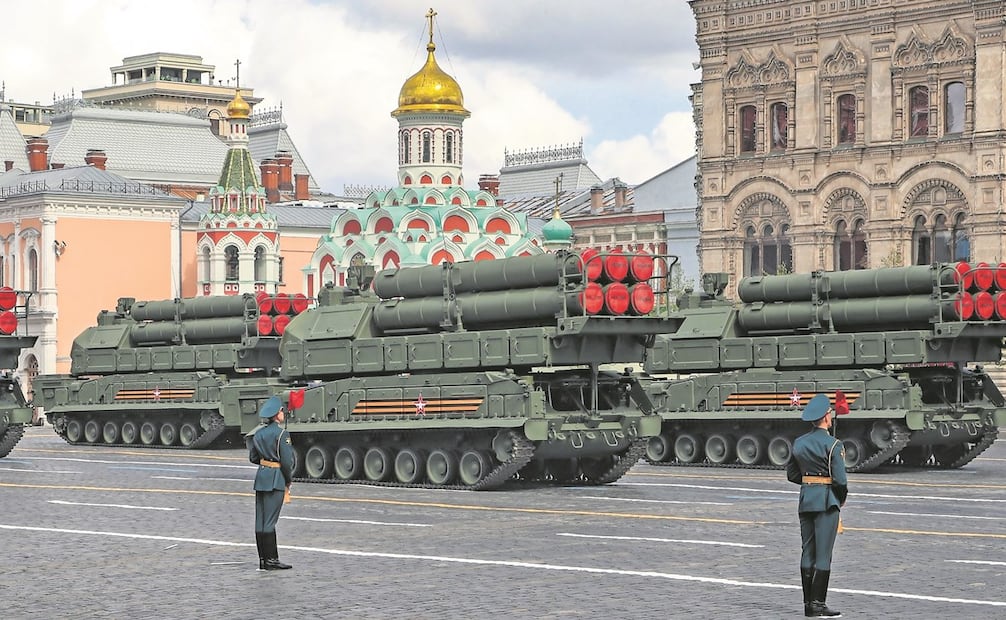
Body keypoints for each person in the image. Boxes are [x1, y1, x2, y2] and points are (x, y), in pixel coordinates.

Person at [786, 393, 848, 618]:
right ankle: (819, 604)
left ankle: (807, 605)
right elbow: (840, 480)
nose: (831, 416)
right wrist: (840, 497)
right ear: (825, 417)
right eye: (830, 413)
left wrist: (810, 483)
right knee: (824, 555)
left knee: (807, 553)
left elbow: (792, 474)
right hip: (826, 502)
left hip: (806, 501)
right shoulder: (834, 445)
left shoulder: (799, 443)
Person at [247, 395, 294, 570]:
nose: (284, 413)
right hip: (276, 479)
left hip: (262, 478)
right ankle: (272, 560)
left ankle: (263, 560)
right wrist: (288, 481)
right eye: (282, 411)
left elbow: (253, 458)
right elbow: (287, 462)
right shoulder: (282, 434)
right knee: (270, 522)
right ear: (277, 414)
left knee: (260, 521)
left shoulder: (258, 434)